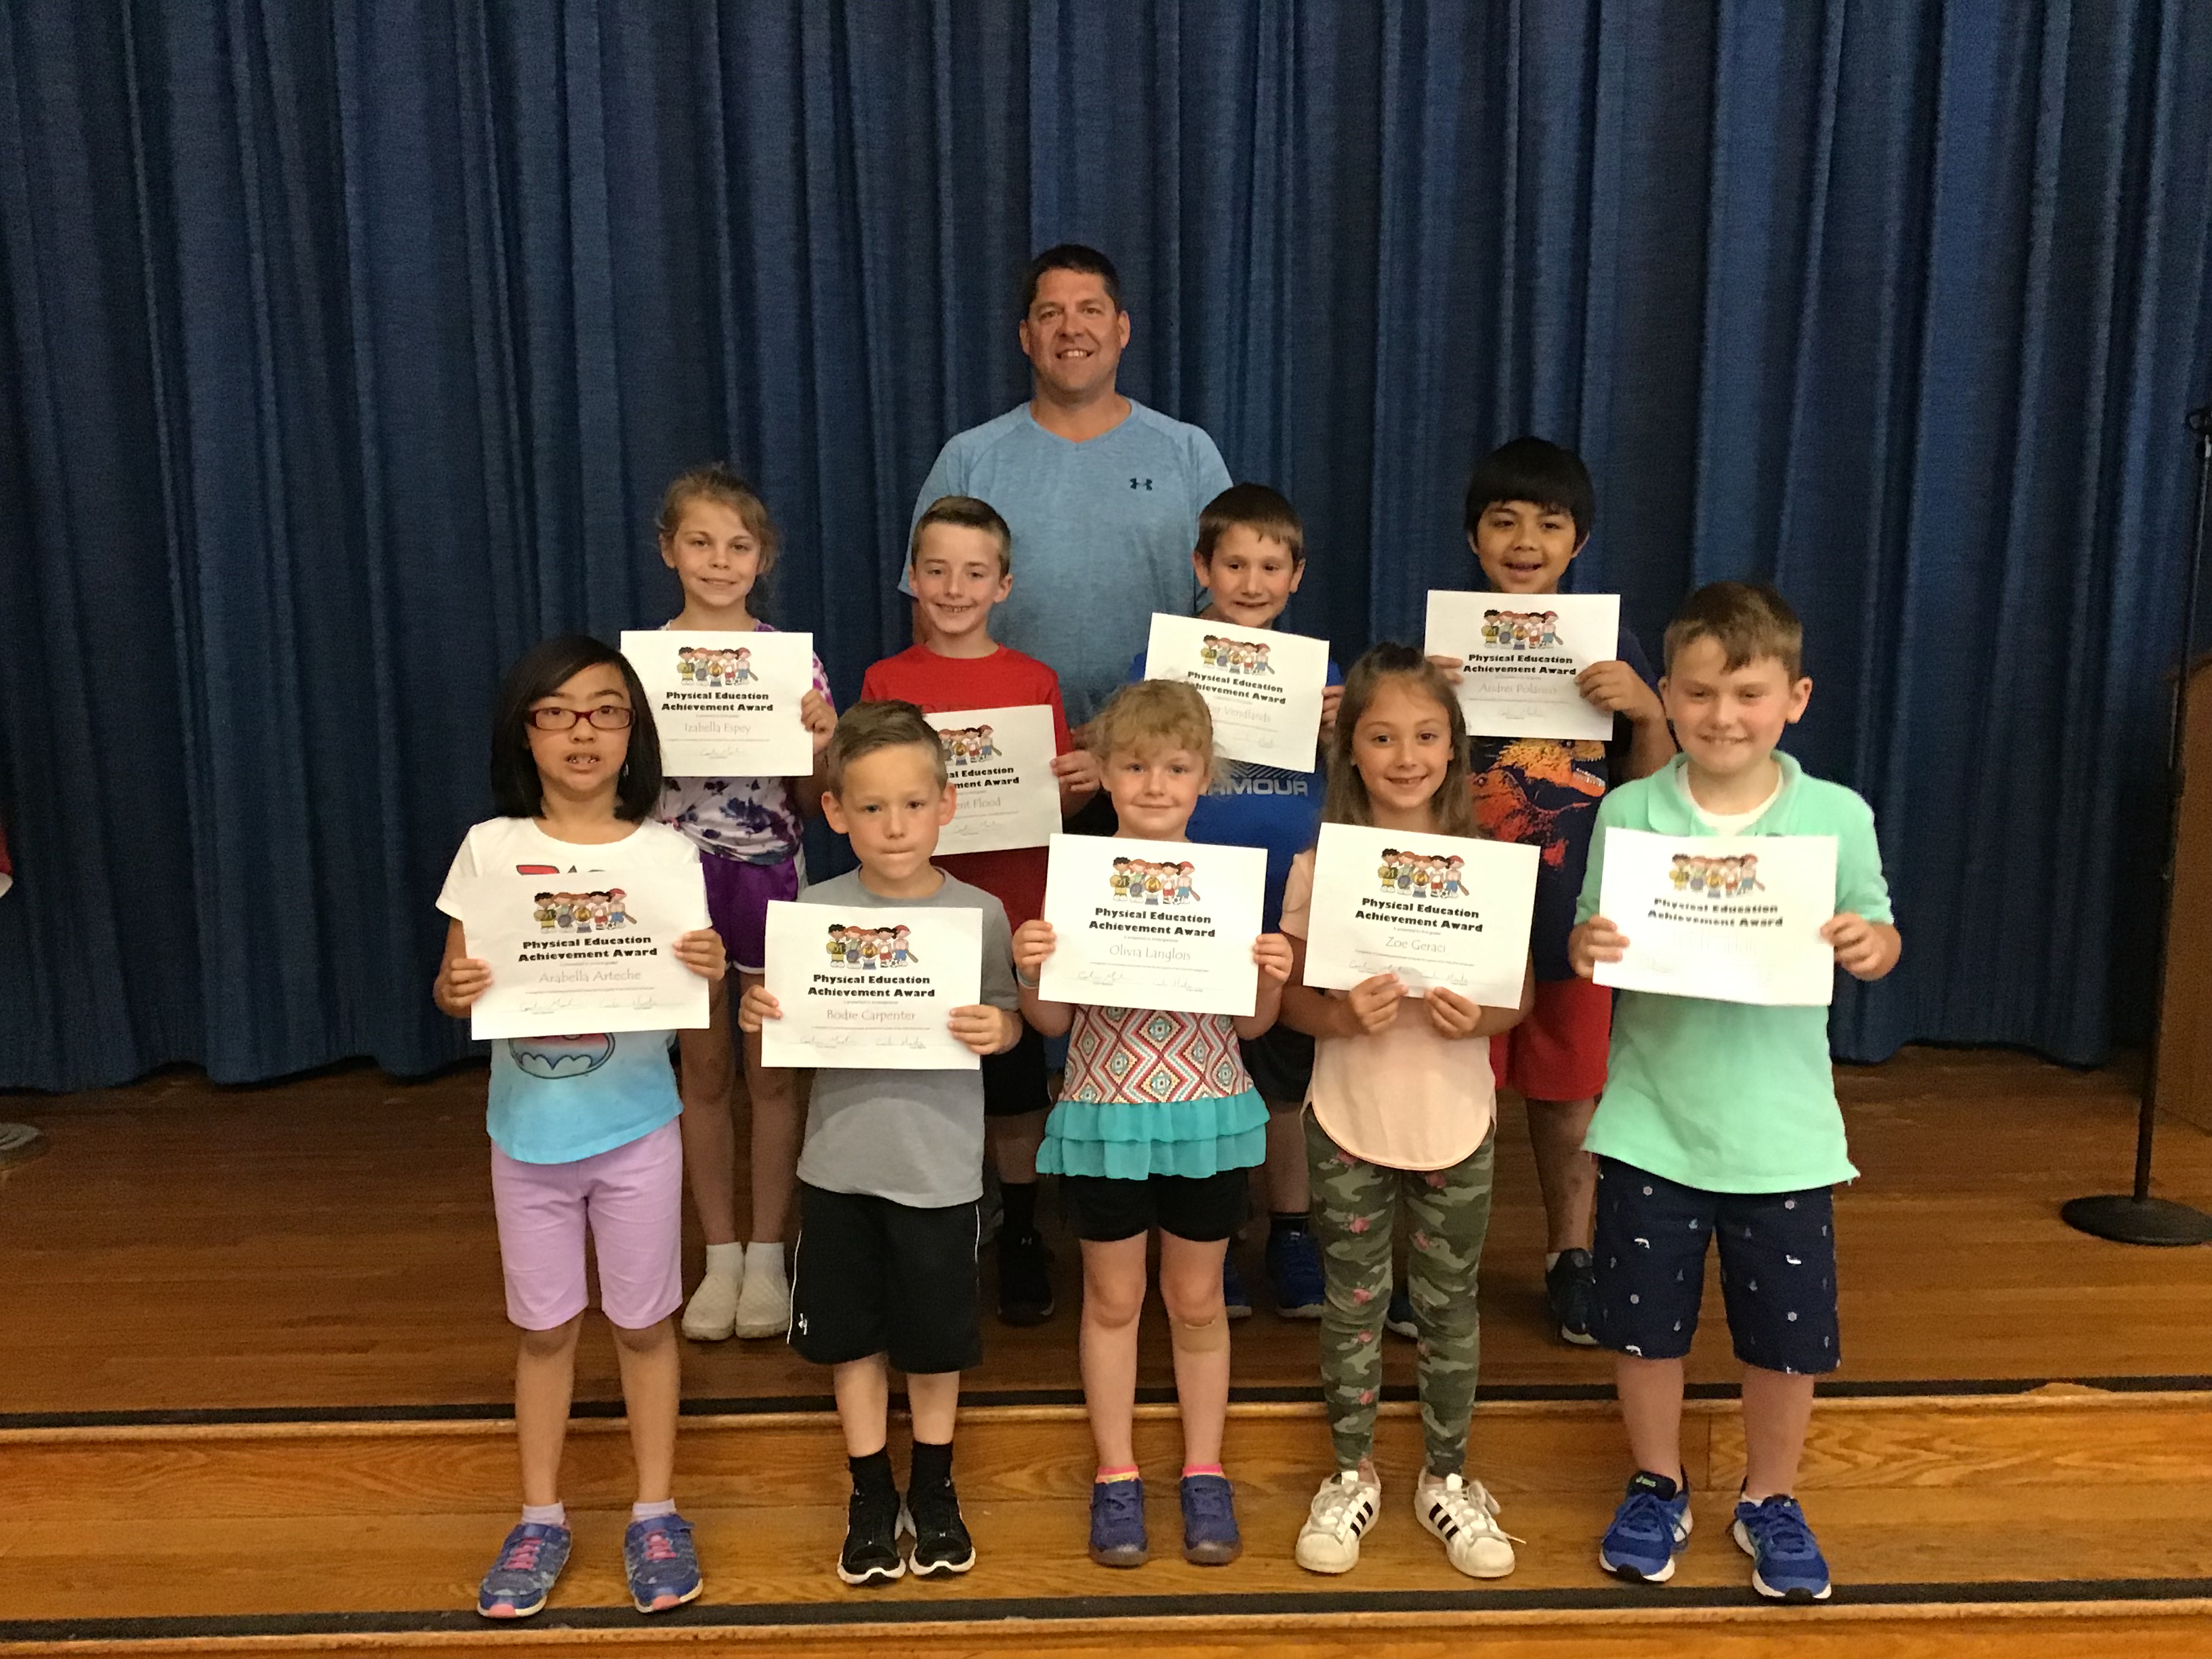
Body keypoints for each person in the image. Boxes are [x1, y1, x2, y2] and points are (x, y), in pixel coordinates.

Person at [1568, 581, 1900, 1604]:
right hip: (1649, 1129)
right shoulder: (1629, 810)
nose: (1723, 717)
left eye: (1748, 694)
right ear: (1667, 695)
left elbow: (1881, 936)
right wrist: (1589, 947)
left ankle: (1771, 1496)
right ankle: (1656, 1479)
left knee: (1787, 1340)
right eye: (1701, 693)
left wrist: (1866, 944)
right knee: (1643, 1327)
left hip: (1784, 1139)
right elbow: (1591, 942)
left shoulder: (1836, 815)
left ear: (1794, 697)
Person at [432, 634, 726, 1620]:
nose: (582, 731)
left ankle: (655, 1509)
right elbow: (452, 981)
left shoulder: (669, 856)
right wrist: (454, 985)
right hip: (525, 1140)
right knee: (546, 1330)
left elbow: (694, 985)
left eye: (605, 710)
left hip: (639, 1129)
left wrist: (709, 969)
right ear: (526, 733)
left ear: (633, 730)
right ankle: (541, 1517)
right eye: (556, 712)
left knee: (645, 1326)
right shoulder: (490, 850)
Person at [739, 701, 1024, 1586]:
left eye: (910, 804)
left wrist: (997, 1031)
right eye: (870, 807)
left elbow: (1012, 1024)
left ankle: (933, 1490)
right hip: (838, 1169)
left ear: (945, 805)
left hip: (938, 1172)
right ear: (834, 812)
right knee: (852, 1342)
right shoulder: (810, 914)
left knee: (936, 1344)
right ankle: (869, 1492)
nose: (892, 825)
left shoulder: (980, 913)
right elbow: (780, 1053)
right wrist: (760, 1016)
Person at [1010, 682, 1292, 1571]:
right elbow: (1051, 1026)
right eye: (1134, 766)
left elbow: (1250, 1028)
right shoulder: (1077, 882)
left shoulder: (1226, 884)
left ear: (1203, 776)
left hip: (1206, 1115)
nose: (1156, 784)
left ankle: (1205, 1469)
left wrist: (1274, 975)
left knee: (1200, 1300)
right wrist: (1030, 970)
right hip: (1105, 1117)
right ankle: (1116, 1474)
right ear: (1102, 771)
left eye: (1175, 768)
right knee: (1113, 1301)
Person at [1275, 645, 1532, 1579]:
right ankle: (1350, 1472)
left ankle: (1450, 1480)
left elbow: (1521, 999)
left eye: (1426, 736)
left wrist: (1485, 1015)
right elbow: (1298, 1004)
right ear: (1350, 751)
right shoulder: (1322, 866)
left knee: (1447, 1306)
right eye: (1381, 737)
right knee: (1351, 1302)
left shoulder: (1491, 867)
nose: (1405, 755)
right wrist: (1339, 1013)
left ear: (1456, 752)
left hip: (1456, 1121)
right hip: (1347, 1118)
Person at [1434, 437, 1674, 1347]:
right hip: (1461, 917)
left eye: (1549, 522)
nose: (1525, 539)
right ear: (1473, 537)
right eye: (1503, 521)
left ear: (1578, 542)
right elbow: (1392, 774)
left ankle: (1572, 1257)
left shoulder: (1611, 649)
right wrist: (1420, 700)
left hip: (1576, 914)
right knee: (1463, 1095)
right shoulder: (1441, 647)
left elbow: (1653, 792)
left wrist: (1646, 711)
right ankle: (1446, 1265)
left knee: (1571, 1099)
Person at [859, 495, 1101, 1326]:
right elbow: (868, 791)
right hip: (919, 915)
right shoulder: (886, 682)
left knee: (1014, 1086)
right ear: (913, 580)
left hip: (1016, 905)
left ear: (1004, 583)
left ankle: (1025, 1229)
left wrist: (1076, 786)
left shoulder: (1033, 680)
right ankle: (950, 1217)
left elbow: (1054, 809)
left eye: (973, 573)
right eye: (936, 571)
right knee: (931, 1072)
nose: (954, 588)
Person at [1124, 485, 1341, 1321]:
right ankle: (1203, 1241)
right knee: (1193, 1077)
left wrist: (1338, 733)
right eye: (1234, 564)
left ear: (1295, 578)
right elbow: (1128, 763)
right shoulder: (1160, 668)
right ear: (1201, 569)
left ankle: (1289, 1230)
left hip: (1282, 905)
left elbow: (1348, 780)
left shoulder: (1320, 675)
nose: (1251, 582)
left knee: (1283, 1082)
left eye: (1270, 567)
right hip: (1182, 907)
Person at [651, 464, 838, 1346]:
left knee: (771, 1076)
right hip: (678, 892)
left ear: (762, 559)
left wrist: (817, 741)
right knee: (704, 1073)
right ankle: (719, 1253)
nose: (719, 561)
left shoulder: (793, 663)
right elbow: (619, 797)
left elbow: (812, 804)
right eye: (701, 542)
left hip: (768, 880)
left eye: (737, 546)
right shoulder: (642, 666)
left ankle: (770, 1252)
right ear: (668, 550)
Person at [903, 245, 1233, 733]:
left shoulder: (1188, 453)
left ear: (1121, 329)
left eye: (1090, 311)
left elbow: (1227, 607)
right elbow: (929, 616)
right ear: (1025, 337)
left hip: (1153, 758)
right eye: (1050, 314)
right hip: (1006, 757)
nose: (1071, 329)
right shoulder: (969, 459)